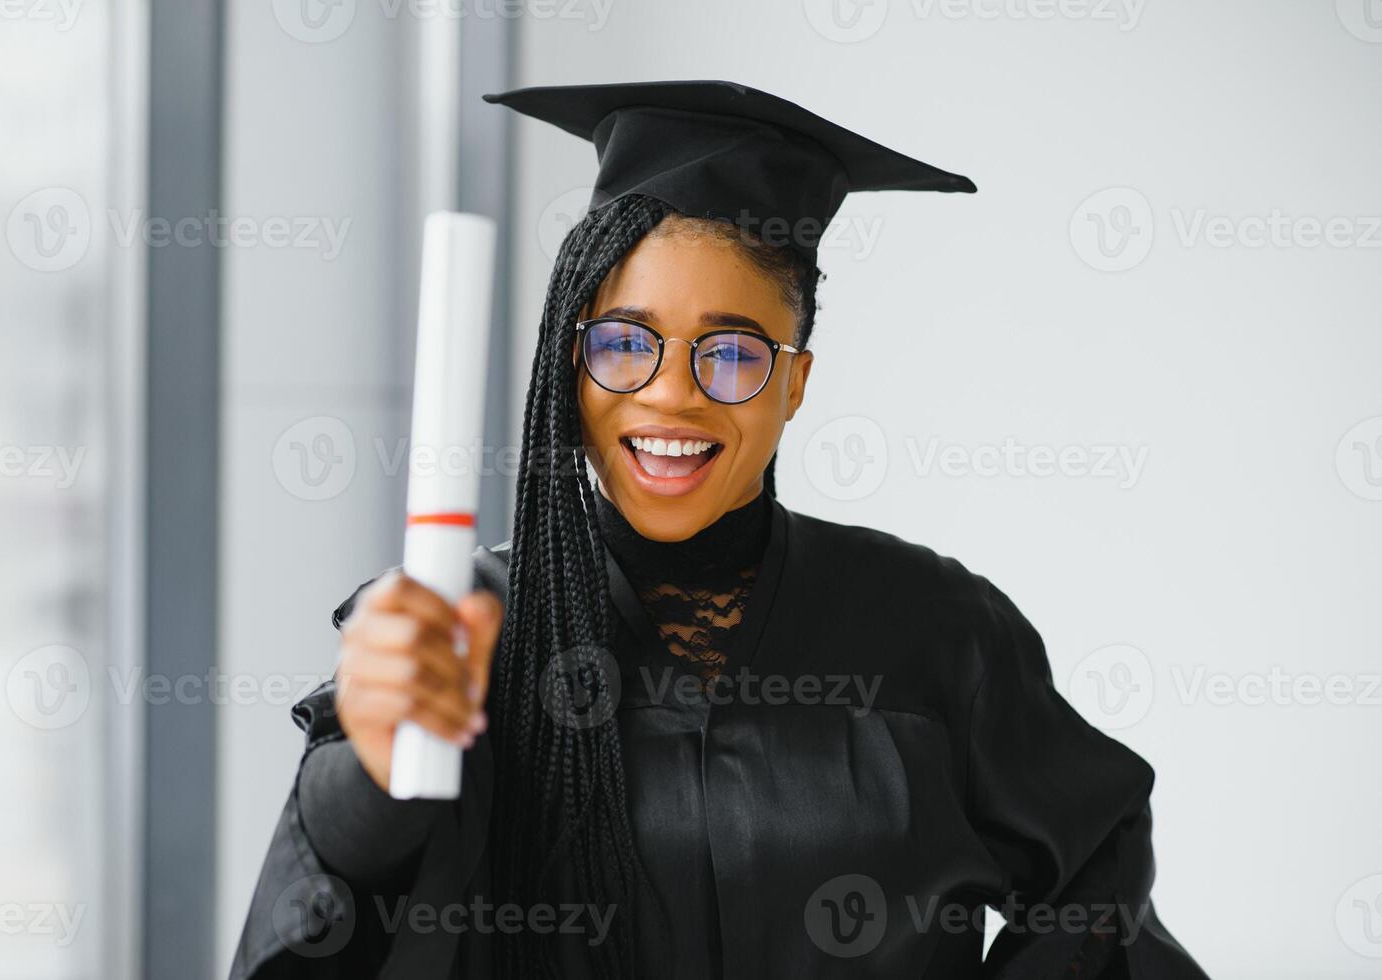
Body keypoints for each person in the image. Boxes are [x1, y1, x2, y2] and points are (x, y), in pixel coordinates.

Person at [229, 80, 1210, 979]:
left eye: (731, 353)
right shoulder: (463, 625)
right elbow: (331, 907)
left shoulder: (936, 632)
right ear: (570, 361)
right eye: (624, 342)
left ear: (793, 384)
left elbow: (1099, 874)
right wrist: (369, 759)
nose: (670, 391)